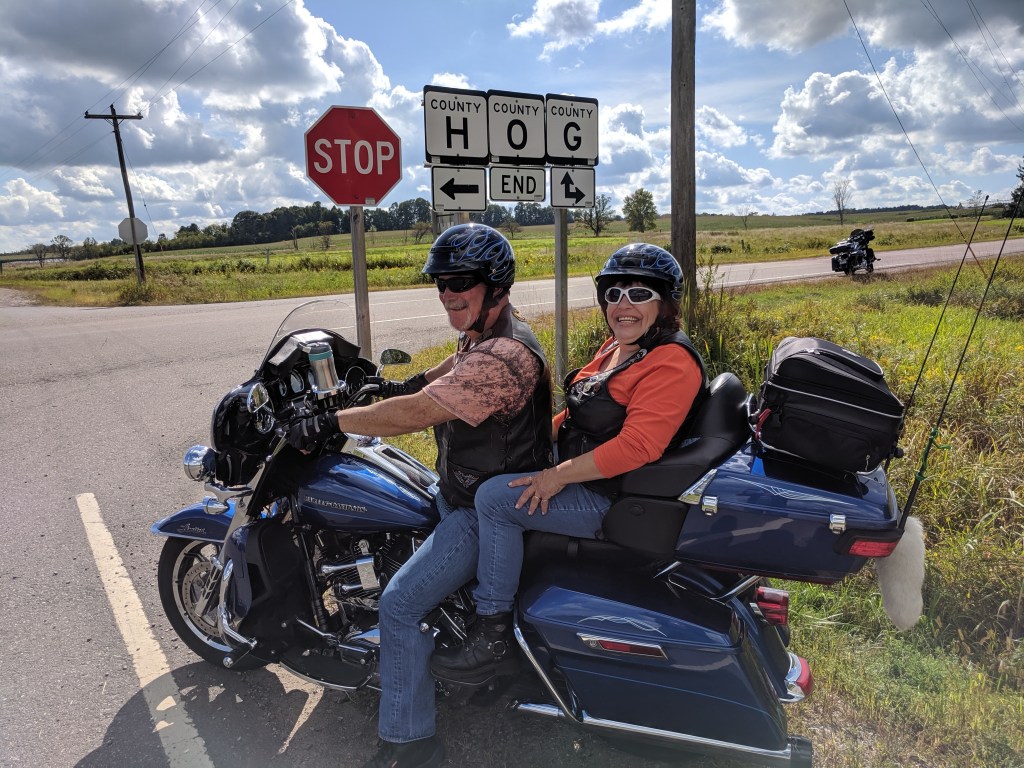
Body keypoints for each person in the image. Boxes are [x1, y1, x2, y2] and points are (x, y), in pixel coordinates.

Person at [284, 223, 552, 768]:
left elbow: (417, 414)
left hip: (482, 512)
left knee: (400, 605)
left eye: (460, 280)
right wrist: (387, 385)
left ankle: (410, 743)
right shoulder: (485, 338)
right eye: (440, 282)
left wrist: (329, 421)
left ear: (494, 284)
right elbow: (439, 378)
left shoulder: (505, 358)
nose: (448, 292)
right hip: (464, 490)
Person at [430, 243, 708, 685]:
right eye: (613, 294)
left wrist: (552, 476)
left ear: (665, 303)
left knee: (496, 498)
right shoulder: (624, 347)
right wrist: (533, 442)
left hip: (612, 496)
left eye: (639, 294)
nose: (623, 305)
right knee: (474, 479)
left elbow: (638, 446)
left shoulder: (670, 361)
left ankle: (492, 632)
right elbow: (581, 413)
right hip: (590, 472)